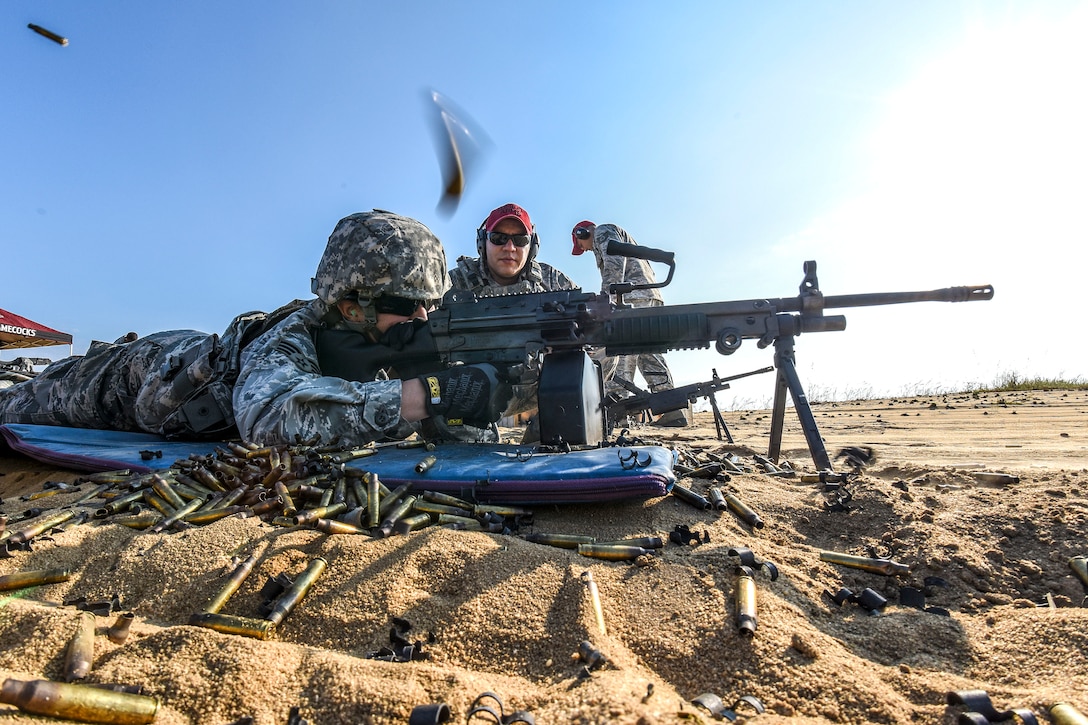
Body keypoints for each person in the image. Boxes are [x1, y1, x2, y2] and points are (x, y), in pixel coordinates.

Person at [0, 210, 513, 446]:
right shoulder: (294, 334)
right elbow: (269, 418)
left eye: (431, 304)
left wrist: (471, 395)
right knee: (15, 403)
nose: (422, 318)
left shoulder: (389, 336)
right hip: (122, 379)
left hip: (179, 360)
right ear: (353, 304)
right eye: (407, 303)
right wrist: (426, 395)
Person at [571, 220, 689, 427]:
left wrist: (605, 299)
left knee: (621, 349)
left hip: (631, 297)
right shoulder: (612, 233)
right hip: (644, 295)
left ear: (582, 233)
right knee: (644, 351)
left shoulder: (602, 231)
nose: (585, 249)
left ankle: (623, 411)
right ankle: (668, 409)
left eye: (581, 246)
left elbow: (615, 261)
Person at [448, 203, 577, 295]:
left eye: (520, 240)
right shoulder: (452, 284)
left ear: (532, 247)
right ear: (482, 242)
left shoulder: (553, 282)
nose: (510, 248)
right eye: (498, 238)